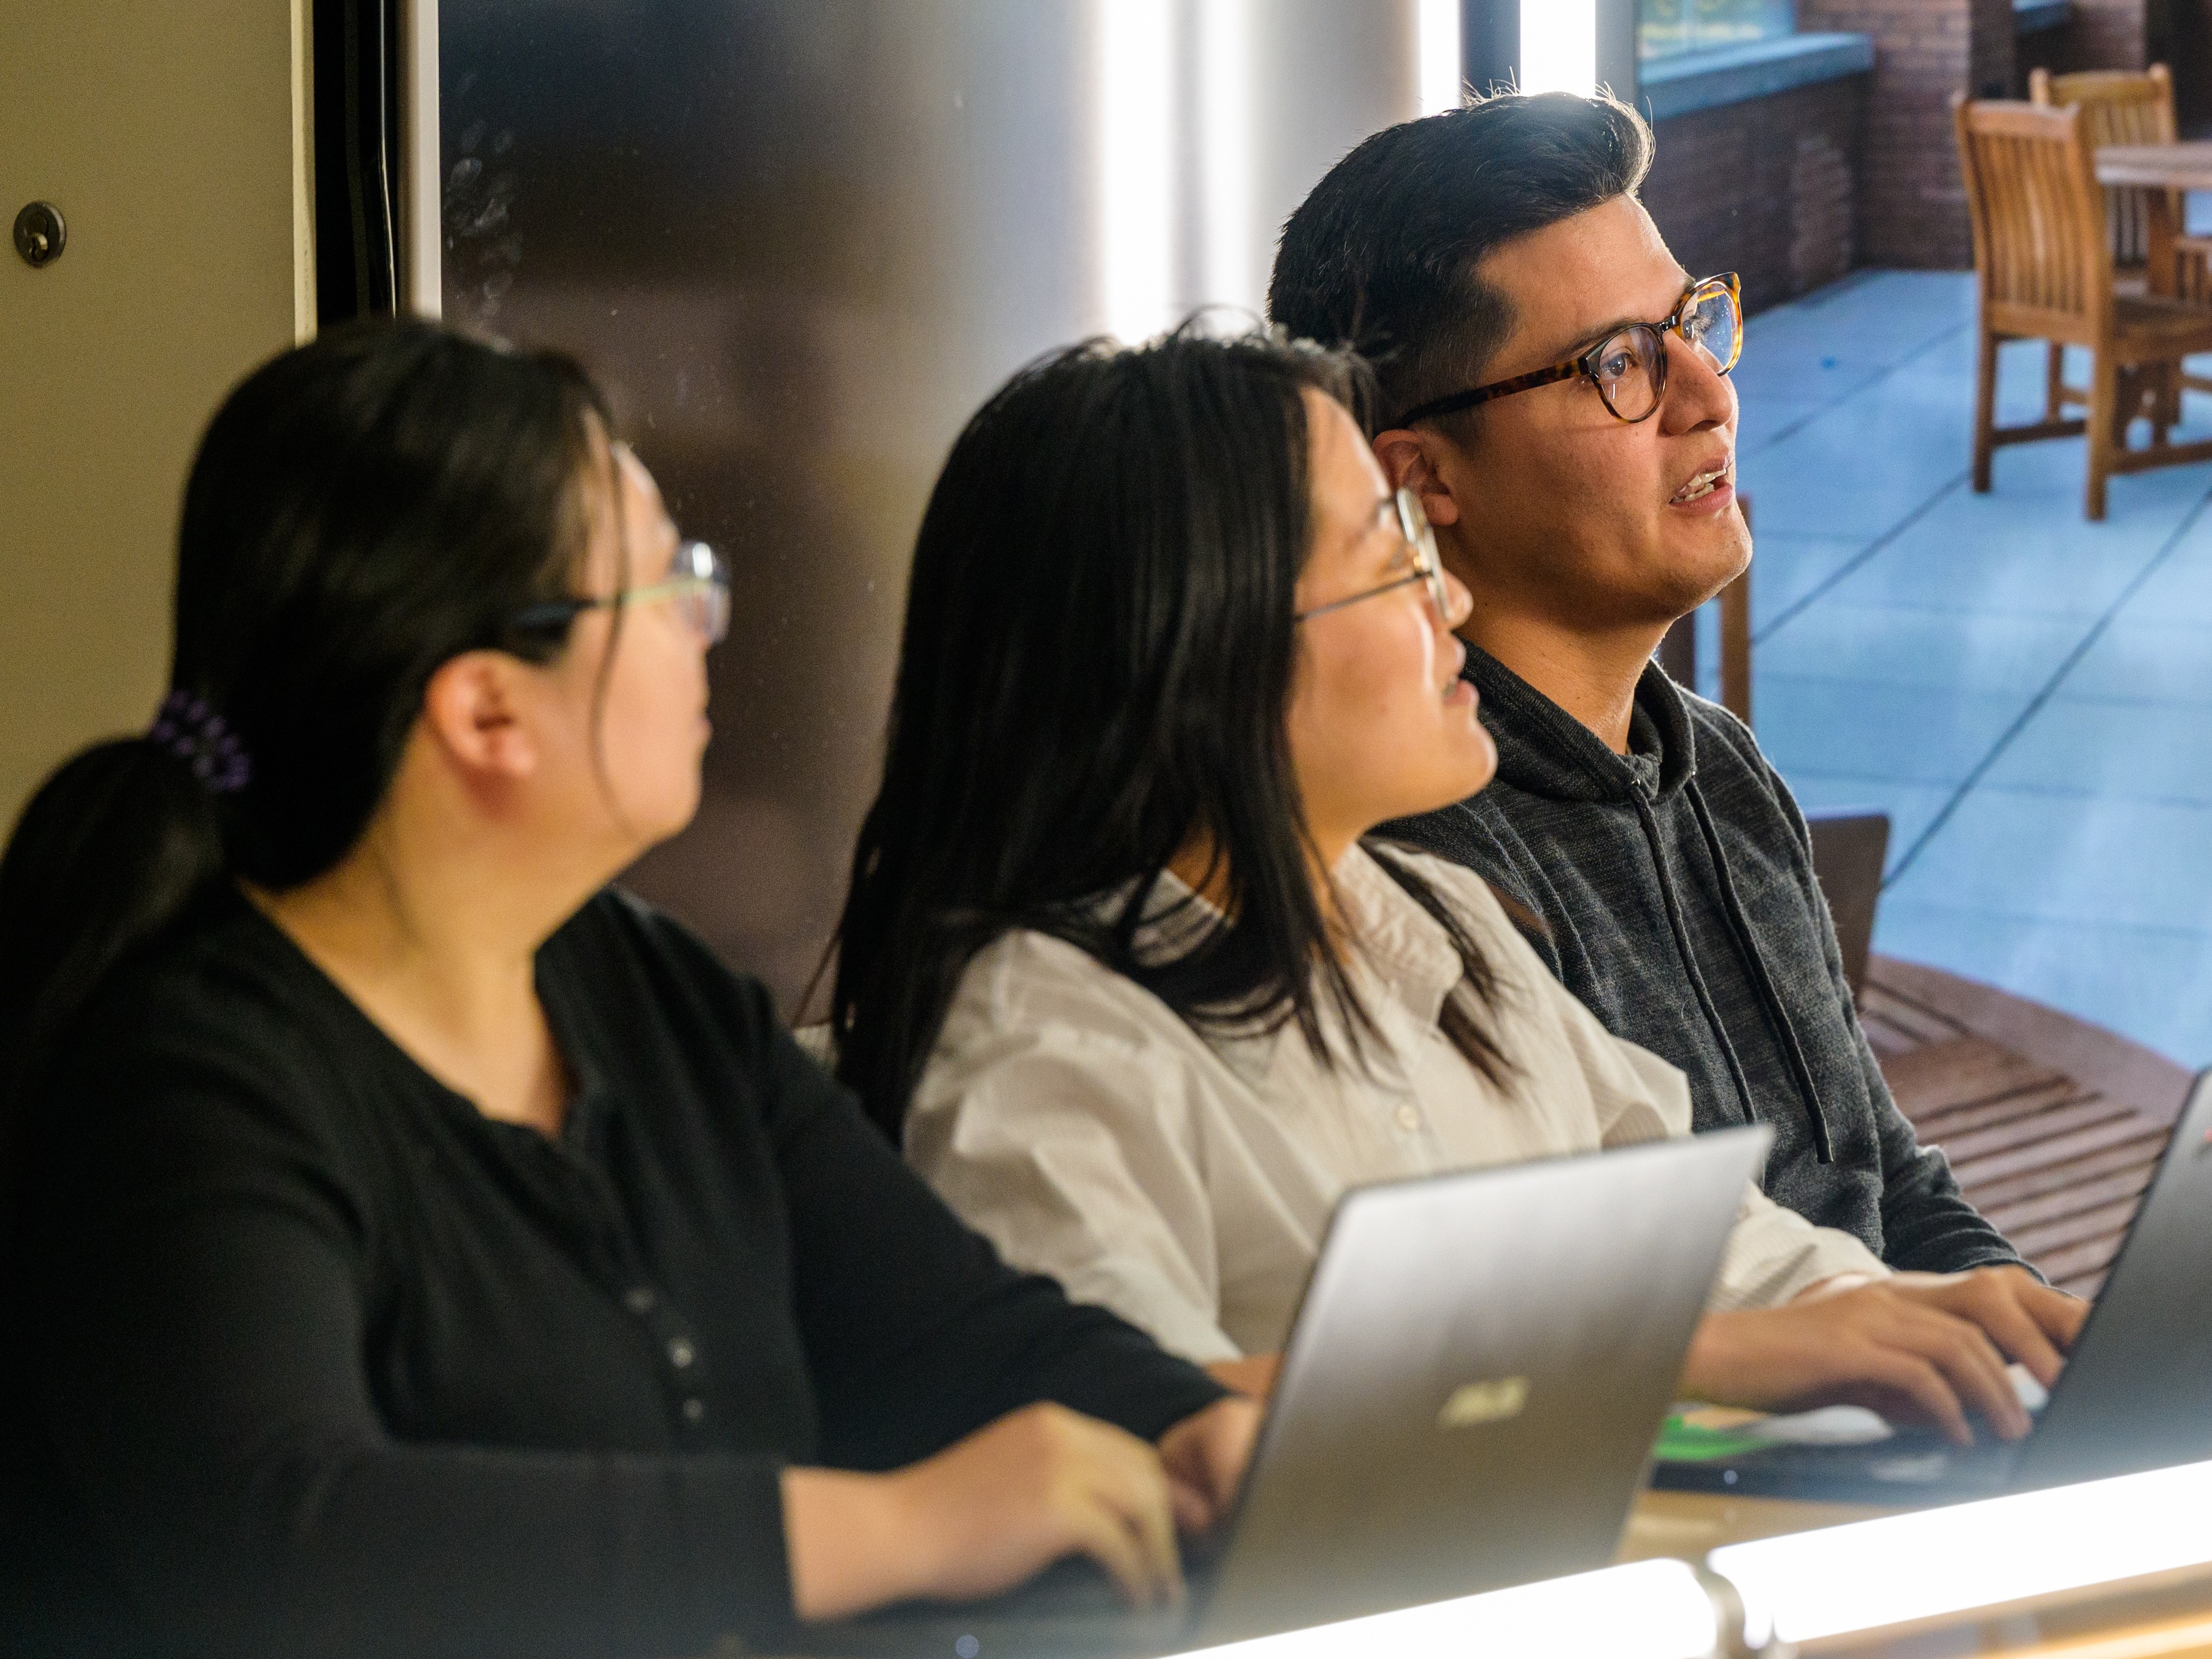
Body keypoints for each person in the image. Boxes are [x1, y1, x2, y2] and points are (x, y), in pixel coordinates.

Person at [0, 321, 1258, 1659]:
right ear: (488, 715)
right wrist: (888, 1530)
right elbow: (290, 1538)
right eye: (667, 588)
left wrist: (1189, 1427)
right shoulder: (181, 1075)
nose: (706, 633)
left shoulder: (647, 990)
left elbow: (950, 1330)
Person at [825, 325, 2077, 1440]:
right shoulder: (1045, 1040)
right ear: (1201, 642)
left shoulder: (1436, 924)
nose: (1454, 597)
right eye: (1393, 560)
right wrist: (1687, 1358)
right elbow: (1126, 1428)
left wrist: (1959, 1333)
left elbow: (1717, 1248)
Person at [1266, 93, 2081, 1331]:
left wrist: (2038, 1343)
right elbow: (1571, 1342)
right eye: (1618, 365)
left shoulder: (1712, 763)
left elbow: (1887, 1182)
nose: (1707, 393)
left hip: (1897, 1401)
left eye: (1688, 324)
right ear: (1419, 475)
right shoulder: (1412, 860)